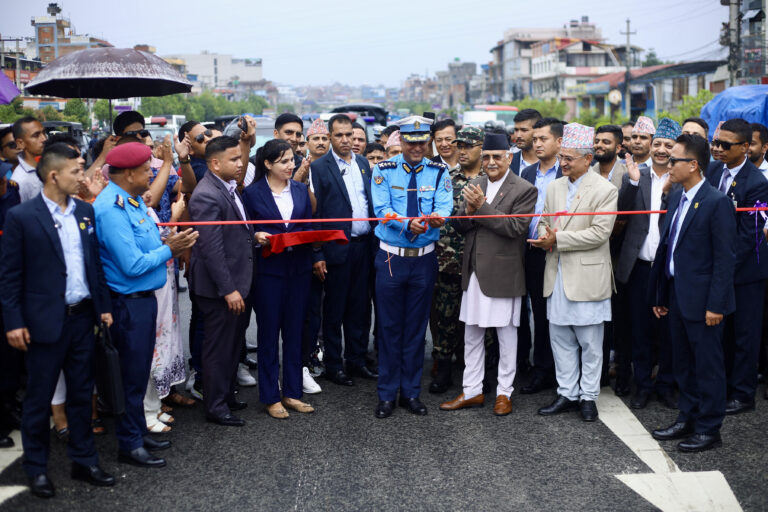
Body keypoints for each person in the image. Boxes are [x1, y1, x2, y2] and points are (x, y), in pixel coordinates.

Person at [0, 143, 115, 498]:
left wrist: (103, 306)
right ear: (54, 175)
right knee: (39, 400)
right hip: (42, 324)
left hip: (82, 319)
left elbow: (93, 264)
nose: (83, 176)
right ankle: (36, 469)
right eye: (77, 170)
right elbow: (10, 276)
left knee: (83, 395)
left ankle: (84, 460)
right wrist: (13, 321)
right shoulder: (22, 217)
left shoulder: (84, 211)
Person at [94, 142, 198, 468]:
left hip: (143, 302)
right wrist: (171, 248)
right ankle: (129, 443)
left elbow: (150, 243)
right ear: (128, 174)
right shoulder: (111, 208)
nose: (151, 172)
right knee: (129, 378)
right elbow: (133, 265)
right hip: (127, 305)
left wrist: (167, 245)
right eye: (145, 169)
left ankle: (138, 432)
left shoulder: (133, 201)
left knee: (138, 376)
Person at [648, 133, 736, 452]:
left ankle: (710, 428)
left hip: (705, 304)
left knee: (708, 366)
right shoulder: (676, 197)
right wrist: (660, 295)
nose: (668, 165)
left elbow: (725, 260)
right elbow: (668, 249)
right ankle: (688, 417)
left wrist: (717, 305)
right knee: (683, 363)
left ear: (694, 165)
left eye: (674, 160)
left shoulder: (717, 202)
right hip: (677, 295)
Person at [440, 133, 536, 415]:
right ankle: (472, 390)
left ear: (509, 157)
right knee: (472, 333)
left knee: (506, 336)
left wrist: (480, 207)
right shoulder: (475, 183)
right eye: (487, 157)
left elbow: (515, 228)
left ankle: (504, 392)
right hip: (473, 271)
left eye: (497, 156)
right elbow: (459, 225)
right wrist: (469, 211)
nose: (491, 162)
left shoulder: (524, 188)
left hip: (504, 272)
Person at [530, 123, 617, 422]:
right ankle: (566, 392)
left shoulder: (605, 189)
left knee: (591, 343)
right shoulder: (555, 186)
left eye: (569, 158)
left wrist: (558, 240)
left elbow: (600, 233)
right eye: (562, 157)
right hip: (557, 274)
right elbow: (544, 220)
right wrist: (544, 236)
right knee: (561, 338)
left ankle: (589, 397)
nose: (563, 162)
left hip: (587, 277)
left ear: (588, 159)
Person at [370, 115, 452, 418]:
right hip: (392, 257)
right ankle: (387, 395)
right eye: (410, 141)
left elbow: (445, 204)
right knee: (390, 328)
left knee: (417, 330)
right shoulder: (383, 170)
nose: (416, 147)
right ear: (401, 141)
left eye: (421, 142)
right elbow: (381, 210)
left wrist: (437, 218)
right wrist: (408, 223)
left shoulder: (439, 170)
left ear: (427, 141)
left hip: (424, 260)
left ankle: (411, 393)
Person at [242, 139, 316, 419]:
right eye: (284, 161)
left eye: (292, 159)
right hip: (269, 271)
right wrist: (256, 238)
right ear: (268, 164)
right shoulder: (251, 194)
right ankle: (271, 396)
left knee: (296, 332)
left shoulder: (299, 190)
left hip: (298, 270)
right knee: (269, 334)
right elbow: (244, 232)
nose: (291, 165)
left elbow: (307, 226)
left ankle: (293, 392)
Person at [615, 118, 681, 408]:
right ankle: (641, 385)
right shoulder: (636, 173)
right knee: (639, 330)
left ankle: (665, 385)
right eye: (658, 145)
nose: (662, 150)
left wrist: (669, 190)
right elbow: (621, 209)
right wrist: (631, 181)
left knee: (668, 331)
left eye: (668, 145)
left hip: (670, 269)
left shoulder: (683, 177)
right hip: (639, 266)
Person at [188, 136, 254, 427]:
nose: (241, 164)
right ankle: (215, 406)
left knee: (231, 345)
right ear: (215, 163)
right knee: (217, 348)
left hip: (237, 282)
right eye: (234, 159)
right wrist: (228, 289)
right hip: (218, 289)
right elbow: (211, 249)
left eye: (240, 158)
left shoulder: (227, 187)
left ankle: (226, 395)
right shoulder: (206, 194)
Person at [706, 118, 768, 415]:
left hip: (745, 273)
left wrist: (722, 269)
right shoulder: (714, 170)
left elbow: (749, 237)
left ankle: (743, 394)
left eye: (724, 145)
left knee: (745, 334)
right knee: (723, 334)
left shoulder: (757, 184)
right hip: (719, 269)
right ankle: (725, 386)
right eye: (715, 142)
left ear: (745, 147)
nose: (717, 149)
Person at [310, 114, 377, 387]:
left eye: (349, 134)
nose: (346, 140)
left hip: (364, 246)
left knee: (360, 309)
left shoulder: (362, 163)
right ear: (329, 136)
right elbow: (313, 216)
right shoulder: (319, 167)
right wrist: (317, 254)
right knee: (335, 310)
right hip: (336, 249)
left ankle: (357, 360)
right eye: (339, 135)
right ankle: (334, 365)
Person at [429, 126, 486, 394]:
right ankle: (443, 367)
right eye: (459, 145)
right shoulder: (445, 177)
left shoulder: (491, 179)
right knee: (444, 317)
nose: (461, 151)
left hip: (481, 262)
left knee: (480, 318)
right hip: (447, 260)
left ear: (481, 148)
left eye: (468, 146)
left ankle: (479, 369)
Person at [519, 118, 563, 394]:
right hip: (530, 250)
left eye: (542, 139)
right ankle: (537, 366)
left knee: (553, 314)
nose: (537, 144)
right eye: (534, 139)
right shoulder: (528, 173)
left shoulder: (569, 172)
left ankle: (553, 369)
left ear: (559, 141)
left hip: (559, 250)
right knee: (533, 311)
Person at [143, 191, 190, 434]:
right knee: (152, 348)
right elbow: (157, 247)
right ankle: (147, 410)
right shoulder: (131, 212)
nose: (150, 191)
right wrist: (174, 217)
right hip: (150, 288)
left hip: (164, 285)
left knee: (162, 344)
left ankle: (154, 404)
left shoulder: (146, 210)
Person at [0, 156, 20, 450]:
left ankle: (8, 411)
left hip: (10, 285)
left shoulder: (12, 197)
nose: (4, 183)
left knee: (9, 360)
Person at [10, 116, 48, 202]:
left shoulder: (49, 167)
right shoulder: (20, 181)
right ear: (20, 143)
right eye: (36, 135)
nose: (44, 139)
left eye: (44, 133)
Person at [510, 109, 542, 175]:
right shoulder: (508, 162)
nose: (518, 135)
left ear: (538, 130)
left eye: (524, 130)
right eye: (516, 130)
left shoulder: (554, 164)